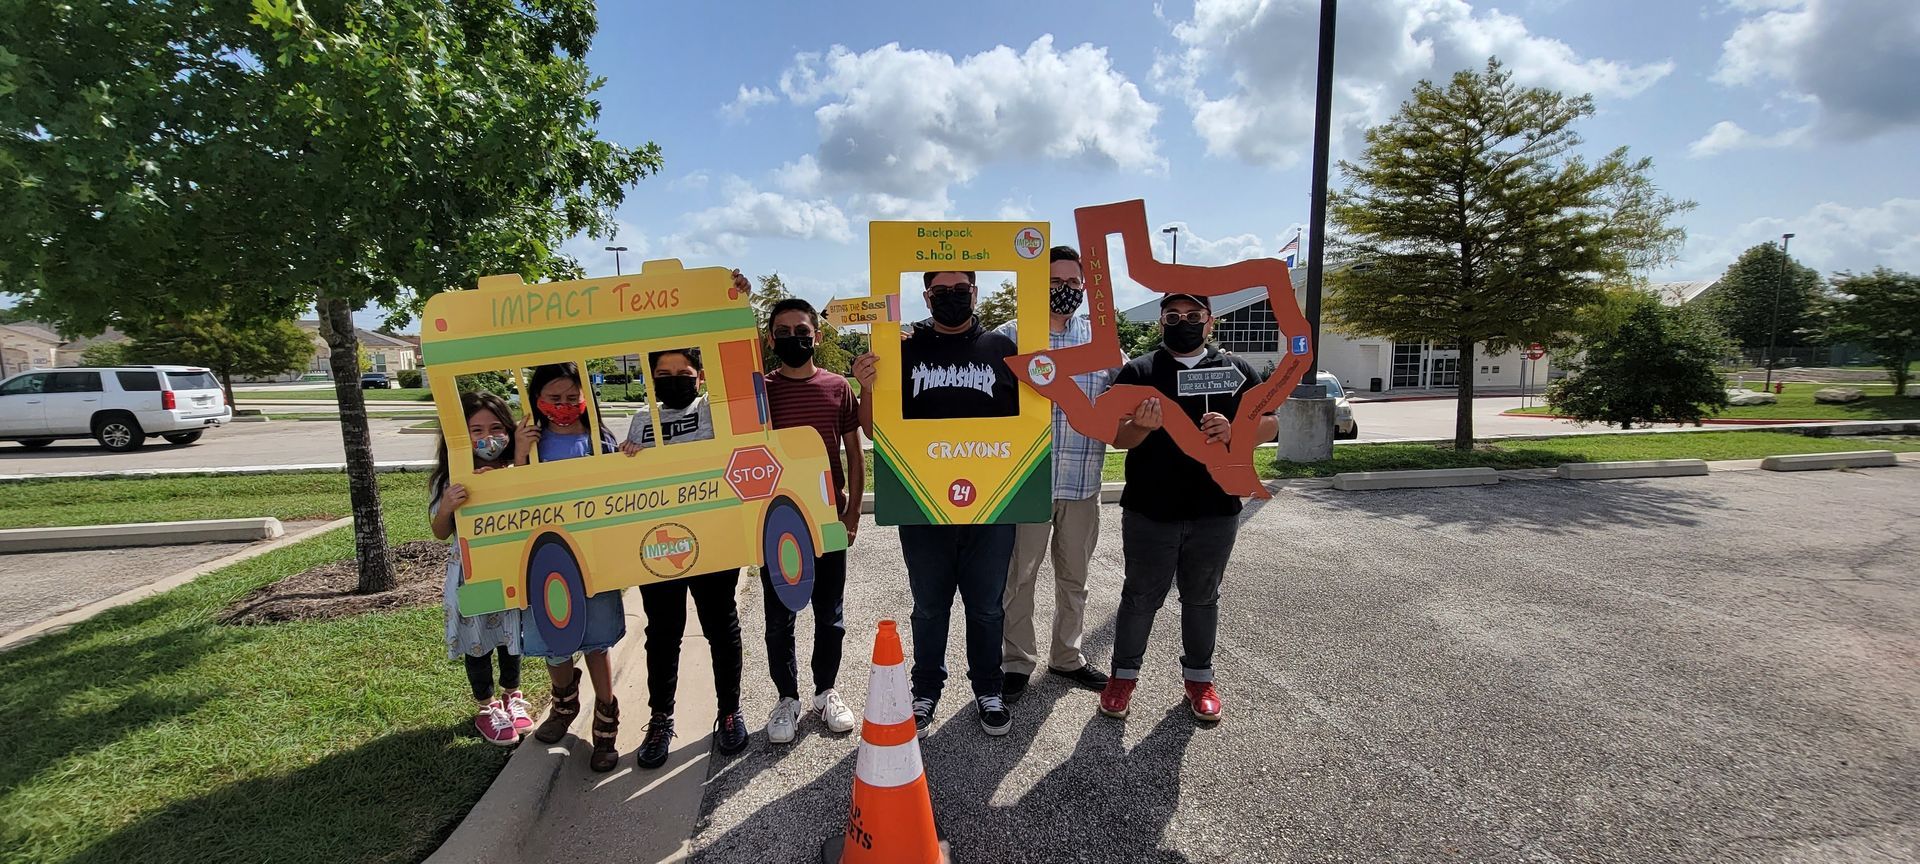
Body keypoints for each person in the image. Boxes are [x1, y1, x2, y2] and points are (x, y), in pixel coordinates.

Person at [852, 270, 1017, 738]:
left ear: (975, 293)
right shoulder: (902, 351)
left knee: (987, 608)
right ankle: (925, 691)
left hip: (992, 503)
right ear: (925, 297)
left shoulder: (1003, 351)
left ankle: (988, 687)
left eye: (959, 291)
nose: (950, 299)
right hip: (921, 502)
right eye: (940, 293)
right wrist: (866, 385)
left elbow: (1028, 419)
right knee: (929, 606)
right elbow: (872, 428)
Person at [1099, 293, 1276, 723]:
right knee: (1140, 598)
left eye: (1193, 316)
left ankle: (1199, 680)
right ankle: (1122, 677)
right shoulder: (1140, 371)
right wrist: (1139, 426)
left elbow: (1270, 424)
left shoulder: (1236, 370)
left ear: (1209, 322)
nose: (1184, 322)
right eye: (1173, 316)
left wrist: (1238, 429)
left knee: (1202, 598)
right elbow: (1116, 438)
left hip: (1215, 508)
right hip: (1149, 509)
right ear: (1161, 322)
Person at [619, 347, 750, 768]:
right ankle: (661, 718)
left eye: (684, 371)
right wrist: (628, 460)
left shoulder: (718, 410)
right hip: (659, 541)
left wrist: (734, 299)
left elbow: (742, 371)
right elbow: (630, 484)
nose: (674, 378)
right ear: (652, 378)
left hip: (714, 539)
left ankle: (730, 711)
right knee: (663, 631)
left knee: (720, 625)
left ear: (701, 374)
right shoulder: (642, 420)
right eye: (663, 372)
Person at [993, 246, 1110, 702]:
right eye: (1054, 283)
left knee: (1075, 578)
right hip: (1027, 486)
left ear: (1084, 286)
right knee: (1018, 580)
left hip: (1083, 482)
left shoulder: (1101, 342)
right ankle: (1018, 661)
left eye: (1072, 283)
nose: (1065, 290)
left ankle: (1068, 657)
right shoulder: (1010, 338)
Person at [515, 362, 627, 771]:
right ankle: (563, 703)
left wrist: (629, 456)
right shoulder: (532, 440)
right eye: (553, 399)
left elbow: (621, 485)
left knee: (597, 640)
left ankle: (606, 714)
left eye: (570, 398)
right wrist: (520, 451)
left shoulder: (599, 438)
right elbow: (516, 493)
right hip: (543, 555)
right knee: (553, 635)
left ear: (584, 399)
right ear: (538, 401)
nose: (563, 406)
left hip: (593, 556)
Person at [760, 297, 863, 743]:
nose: (793, 340)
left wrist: (854, 511)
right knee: (779, 616)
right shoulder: (759, 392)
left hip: (828, 519)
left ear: (817, 337)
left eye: (802, 332)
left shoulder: (838, 387)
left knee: (830, 613)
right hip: (775, 524)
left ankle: (825, 693)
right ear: (769, 339)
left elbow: (854, 454)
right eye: (783, 333)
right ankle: (788, 698)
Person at [430, 390, 529, 745]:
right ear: (458, 435)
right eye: (475, 430)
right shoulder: (453, 478)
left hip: (512, 570)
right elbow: (440, 532)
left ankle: (512, 695)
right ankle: (487, 706)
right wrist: (446, 507)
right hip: (472, 575)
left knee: (510, 634)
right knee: (479, 641)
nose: (488, 437)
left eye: (496, 427)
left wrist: (517, 461)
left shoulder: (517, 470)